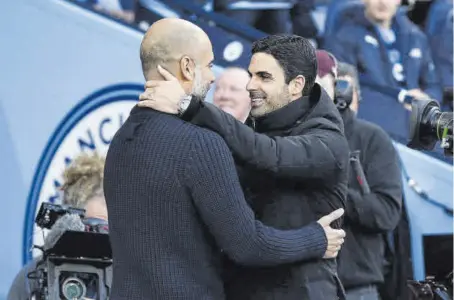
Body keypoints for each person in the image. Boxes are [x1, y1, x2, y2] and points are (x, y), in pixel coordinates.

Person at [105, 18, 346, 300]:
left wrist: (190, 107)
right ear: (186, 67)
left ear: (296, 85)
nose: (249, 86)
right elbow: (246, 243)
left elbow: (272, 154)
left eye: (264, 77)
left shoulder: (121, 139)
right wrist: (315, 238)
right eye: (209, 66)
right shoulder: (205, 143)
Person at [316, 60, 403, 300]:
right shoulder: (294, 135)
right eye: (331, 88)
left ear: (357, 96)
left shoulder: (373, 139)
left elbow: (386, 213)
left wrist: (332, 191)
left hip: (356, 287)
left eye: (344, 88)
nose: (338, 95)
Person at [323, 0, 442, 143]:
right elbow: (343, 91)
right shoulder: (344, 35)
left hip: (416, 122)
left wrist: (427, 99)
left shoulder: (415, 36)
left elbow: (434, 84)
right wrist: (400, 103)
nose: (383, 2)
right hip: (377, 126)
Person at [7, 153, 108, 300]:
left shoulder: (134, 271)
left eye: (105, 229)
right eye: (88, 227)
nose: (96, 236)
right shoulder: (35, 276)